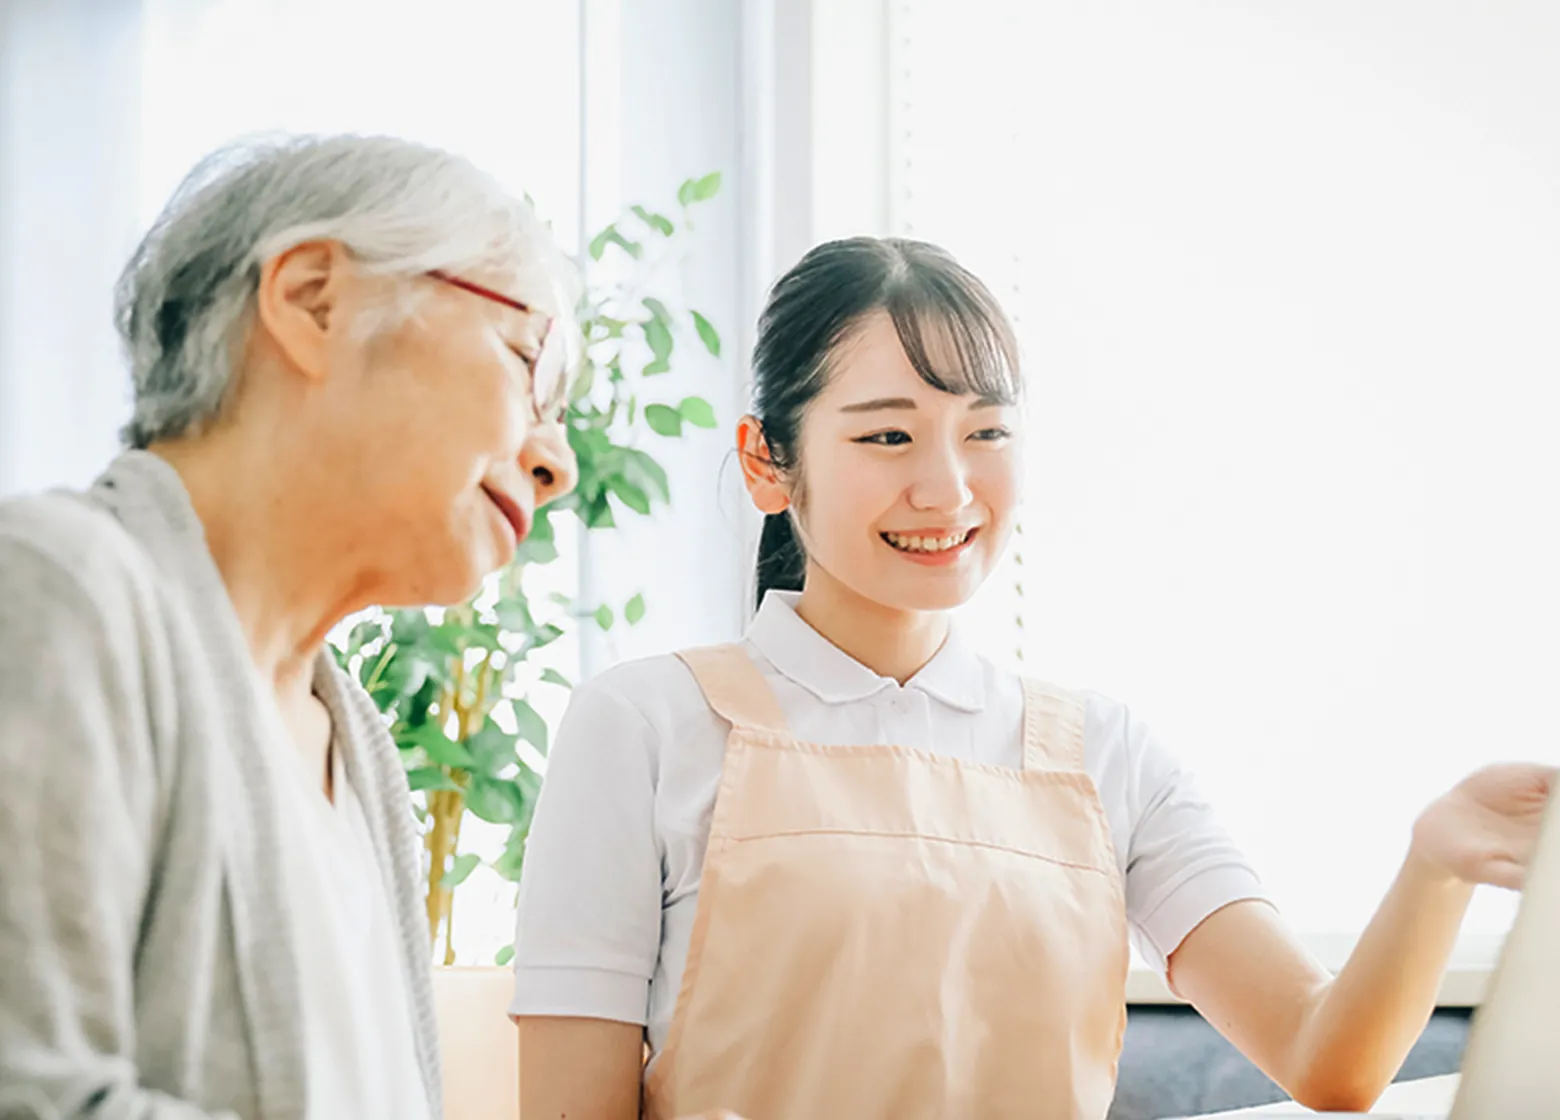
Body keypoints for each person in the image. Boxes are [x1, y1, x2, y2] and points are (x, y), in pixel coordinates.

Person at [509, 236, 1557, 1119]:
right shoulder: (646, 723)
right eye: (887, 433)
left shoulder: (1102, 752)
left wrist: (1437, 862)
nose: (948, 485)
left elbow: (1330, 1060)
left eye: (987, 432)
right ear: (766, 463)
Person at [0, 134, 579, 1118]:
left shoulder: (359, 750)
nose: (556, 459)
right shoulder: (59, 588)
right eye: (530, 360)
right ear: (314, 298)